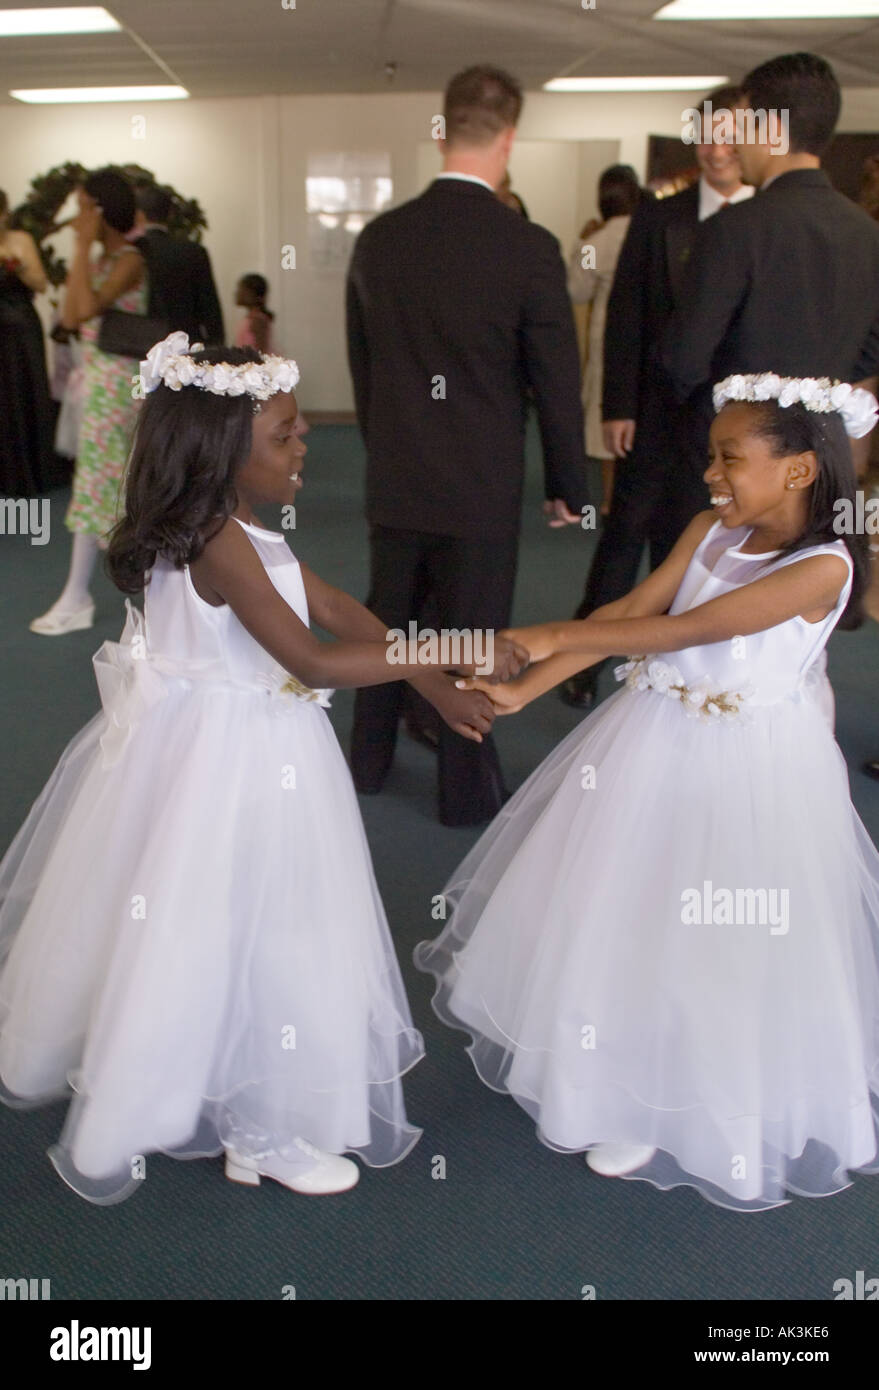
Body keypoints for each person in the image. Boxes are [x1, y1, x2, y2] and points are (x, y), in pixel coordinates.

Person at [0, 333, 525, 1204]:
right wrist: (467, 644)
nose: (305, 443)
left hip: (222, 753)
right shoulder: (219, 543)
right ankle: (263, 1126)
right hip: (237, 766)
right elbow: (314, 661)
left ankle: (231, 1106)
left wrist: (433, 680)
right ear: (220, 450)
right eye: (284, 435)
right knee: (267, 930)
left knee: (221, 930)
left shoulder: (235, 530)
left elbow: (340, 610)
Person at [416, 373, 879, 1212]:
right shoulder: (709, 529)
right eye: (710, 456)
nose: (711, 474)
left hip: (749, 769)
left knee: (723, 938)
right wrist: (525, 688)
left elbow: (690, 630)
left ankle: (716, 1107)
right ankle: (621, 1087)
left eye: (730, 458)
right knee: (631, 912)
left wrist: (547, 633)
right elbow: (636, 604)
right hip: (653, 741)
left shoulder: (824, 566)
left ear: (801, 470)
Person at [346, 64, 588, 825]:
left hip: (397, 472)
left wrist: (386, 441)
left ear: (442, 130)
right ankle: (463, 794)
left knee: (389, 630)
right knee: (474, 636)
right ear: (508, 138)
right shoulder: (526, 246)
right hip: (480, 483)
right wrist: (569, 484)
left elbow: (365, 365)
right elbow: (555, 379)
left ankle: (366, 765)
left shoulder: (380, 239)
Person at [562, 85, 752, 709]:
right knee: (623, 538)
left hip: (739, 426)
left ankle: (677, 663)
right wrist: (617, 405)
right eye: (706, 136)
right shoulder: (657, 218)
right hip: (655, 416)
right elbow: (626, 317)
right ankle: (581, 657)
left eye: (730, 136)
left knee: (707, 544)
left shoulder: (768, 220)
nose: (717, 150)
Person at [29, 169, 146, 637]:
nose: (77, 219)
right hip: (100, 386)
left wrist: (79, 248)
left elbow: (79, 311)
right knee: (99, 486)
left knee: (120, 487)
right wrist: (82, 250)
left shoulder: (130, 260)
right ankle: (78, 595)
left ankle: (84, 596)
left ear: (102, 209)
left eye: (83, 208)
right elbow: (75, 316)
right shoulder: (100, 261)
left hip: (121, 387)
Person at [567, 164, 644, 517]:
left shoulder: (595, 242)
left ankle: (611, 501)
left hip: (607, 332)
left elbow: (575, 290)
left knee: (607, 411)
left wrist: (581, 244)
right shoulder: (649, 233)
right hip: (647, 332)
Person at [0, 188, 56, 496]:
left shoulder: (21, 240)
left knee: (24, 391)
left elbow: (41, 283)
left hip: (20, 326)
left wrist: (18, 265)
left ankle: (30, 470)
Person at [132, 184, 224, 346]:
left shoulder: (133, 252)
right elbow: (211, 311)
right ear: (170, 214)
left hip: (143, 346)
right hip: (186, 346)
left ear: (139, 214)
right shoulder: (194, 251)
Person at [234, 273, 276, 353]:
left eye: (242, 290)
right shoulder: (251, 318)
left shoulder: (258, 320)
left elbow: (262, 351)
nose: (237, 293)